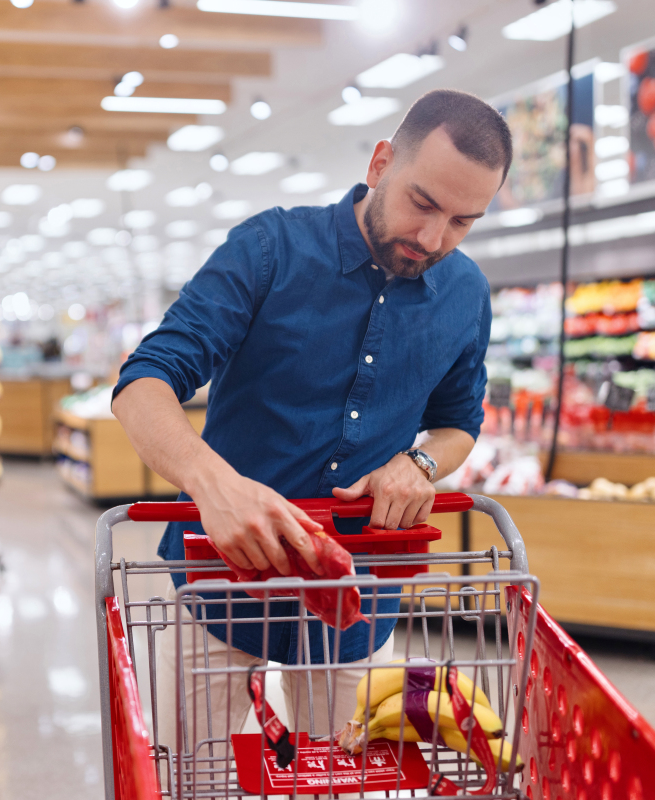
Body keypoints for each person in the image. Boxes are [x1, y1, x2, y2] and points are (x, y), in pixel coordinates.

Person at [111, 89, 513, 756]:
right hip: (219, 585)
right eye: (423, 204)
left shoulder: (465, 293)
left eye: (464, 222)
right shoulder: (269, 249)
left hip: (359, 592)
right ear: (381, 163)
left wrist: (418, 464)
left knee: (336, 778)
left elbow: (458, 423)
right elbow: (143, 382)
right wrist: (212, 484)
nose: (433, 239)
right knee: (189, 776)